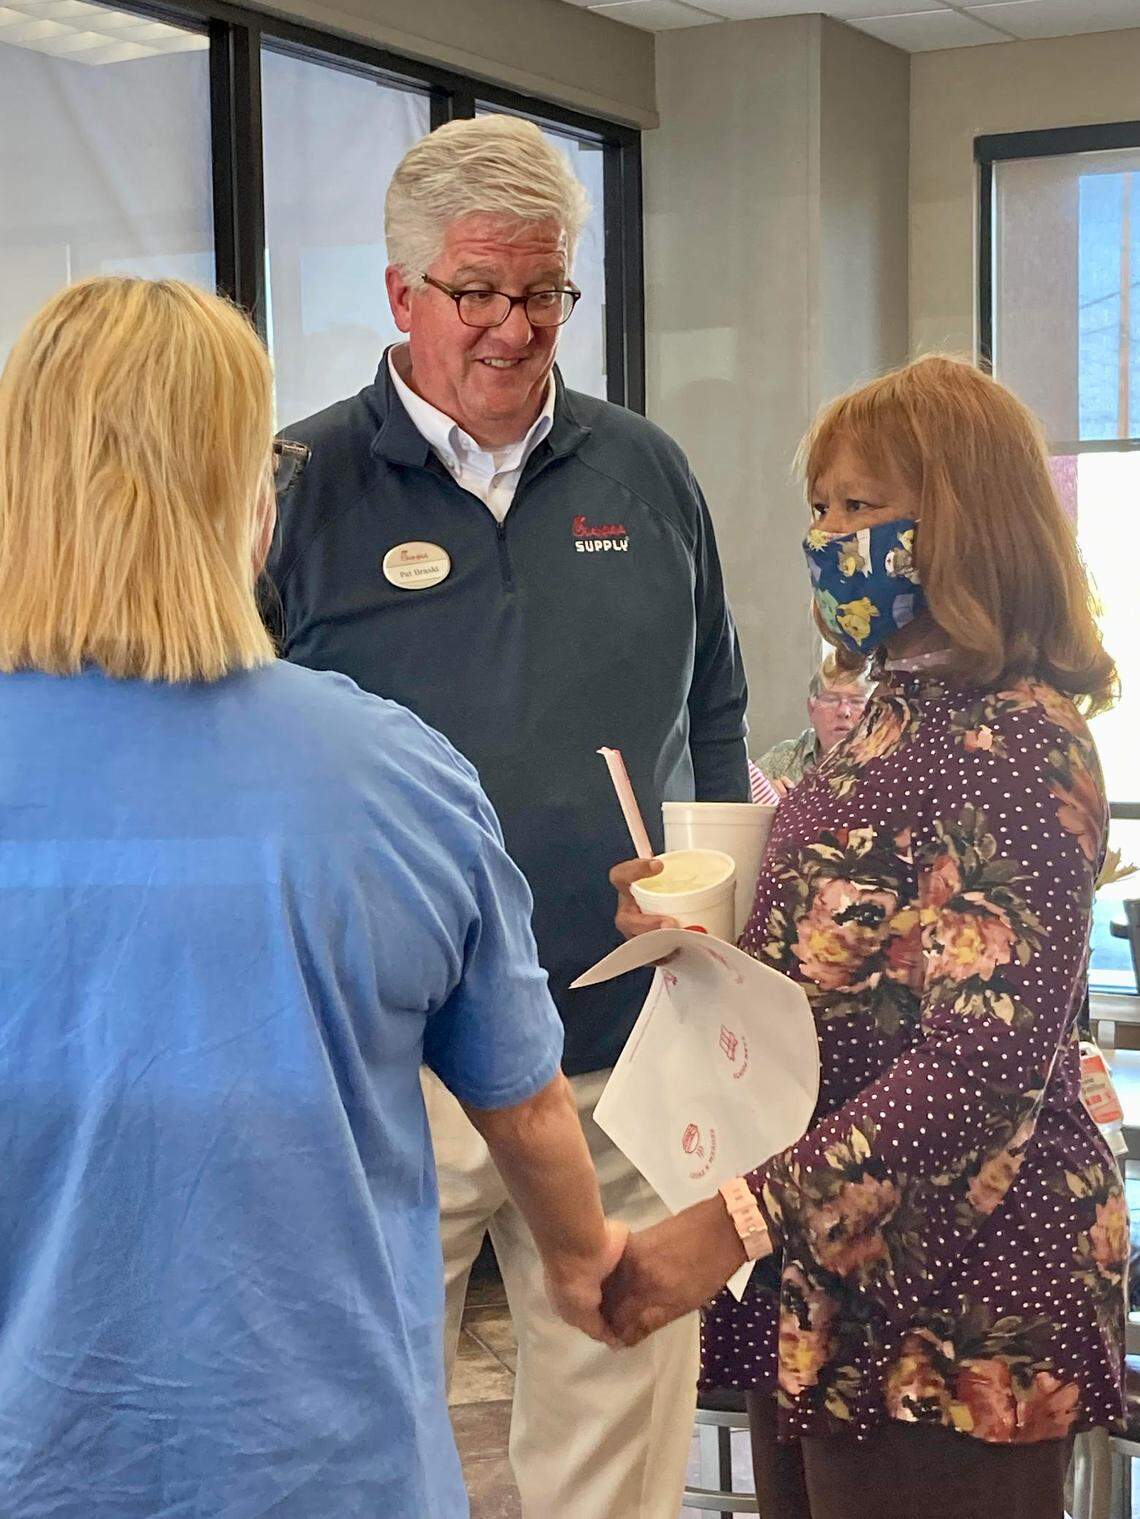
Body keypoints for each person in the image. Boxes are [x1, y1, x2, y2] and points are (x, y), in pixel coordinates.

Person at [0, 275, 627, 1519]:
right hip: (326, 1471)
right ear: (244, 489)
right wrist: (583, 1259)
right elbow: (530, 1109)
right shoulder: (393, 774)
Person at [265, 114, 749, 1517]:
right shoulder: (298, 492)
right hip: (382, 1063)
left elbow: (713, 716)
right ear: (401, 290)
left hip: (619, 1048)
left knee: (613, 1459)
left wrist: (713, 900)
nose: (515, 329)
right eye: (477, 292)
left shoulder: (644, 475)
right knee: (357, 1442)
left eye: (544, 293)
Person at [606, 355, 1125, 1519]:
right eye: (821, 508)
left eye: (862, 507)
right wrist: (703, 926)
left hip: (958, 1299)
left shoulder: (1021, 741)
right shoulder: (891, 711)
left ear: (963, 523)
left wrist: (738, 1219)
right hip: (836, 1279)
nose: (829, 537)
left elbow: (983, 1060)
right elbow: (869, 952)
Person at [755, 663, 872, 789]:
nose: (844, 712)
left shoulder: (884, 763)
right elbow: (743, 798)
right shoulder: (782, 759)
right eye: (831, 700)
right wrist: (767, 799)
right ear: (811, 709)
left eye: (856, 701)